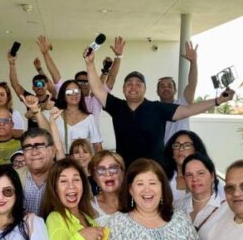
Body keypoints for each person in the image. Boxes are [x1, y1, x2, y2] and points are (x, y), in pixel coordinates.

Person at [84, 49, 234, 168]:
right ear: (123, 89)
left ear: (145, 89)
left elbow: (188, 110)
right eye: (129, 83)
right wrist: (90, 64)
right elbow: (97, 88)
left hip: (155, 173)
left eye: (138, 84)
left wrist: (218, 100)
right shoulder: (117, 107)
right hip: (127, 172)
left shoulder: (158, 108)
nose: (133, 87)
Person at [105, 158, 200, 240]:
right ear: (130, 190)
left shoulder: (180, 218)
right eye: (139, 184)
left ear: (162, 187)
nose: (147, 190)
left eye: (152, 183)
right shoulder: (118, 222)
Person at [174, 153, 227, 240]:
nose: (195, 179)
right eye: (189, 175)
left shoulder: (226, 208)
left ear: (213, 176)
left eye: (201, 173)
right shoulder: (177, 206)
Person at [158, 41, 199, 143]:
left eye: (169, 86)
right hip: (160, 155)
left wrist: (193, 63)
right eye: (162, 86)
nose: (166, 88)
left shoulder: (183, 104)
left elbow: (192, 84)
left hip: (181, 152)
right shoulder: (153, 108)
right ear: (157, 91)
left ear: (175, 90)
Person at [52, 80, 103, 153]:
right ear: (63, 95)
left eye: (76, 91)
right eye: (69, 92)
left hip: (84, 162)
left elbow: (98, 146)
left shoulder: (90, 118)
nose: (74, 94)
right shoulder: (56, 116)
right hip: (62, 161)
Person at [16, 128, 57, 216]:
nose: (34, 152)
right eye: (28, 147)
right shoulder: (13, 177)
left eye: (39, 146)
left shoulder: (65, 177)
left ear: (53, 151)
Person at [163, 130, 212, 203]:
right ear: (172, 153)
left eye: (187, 145)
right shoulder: (162, 176)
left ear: (196, 151)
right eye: (176, 145)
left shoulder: (208, 175)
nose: (181, 149)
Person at [89, 150, 126, 227]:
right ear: (95, 177)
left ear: (122, 173)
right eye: (101, 170)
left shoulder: (135, 200)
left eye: (113, 168)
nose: (108, 174)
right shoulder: (88, 206)